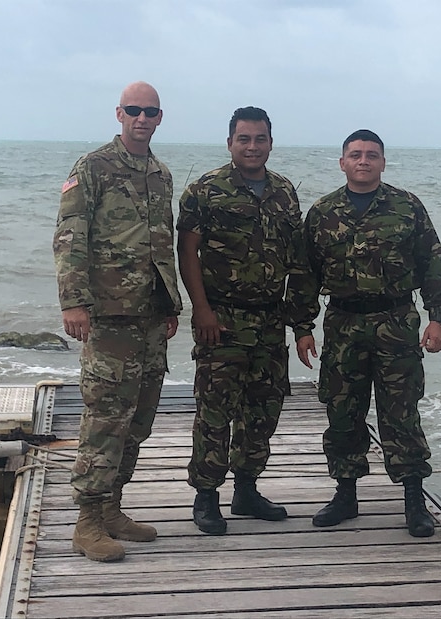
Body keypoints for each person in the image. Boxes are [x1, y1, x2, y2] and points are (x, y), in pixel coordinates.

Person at [285, 129, 441, 538]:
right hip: (343, 324)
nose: (364, 161)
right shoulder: (323, 212)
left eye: (372, 155)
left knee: (402, 412)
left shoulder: (406, 207)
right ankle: (345, 495)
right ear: (342, 162)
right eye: (356, 155)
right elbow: (305, 273)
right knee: (343, 412)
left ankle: (414, 502)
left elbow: (432, 262)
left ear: (383, 162)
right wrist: (303, 328)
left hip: (396, 322)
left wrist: (437, 317)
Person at [53, 81, 182, 562]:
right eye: (134, 110)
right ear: (119, 114)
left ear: (160, 117)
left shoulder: (161, 174)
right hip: (108, 317)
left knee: (139, 420)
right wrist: (74, 303)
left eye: (150, 111)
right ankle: (86, 522)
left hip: (150, 316)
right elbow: (70, 235)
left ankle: (112, 508)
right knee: (106, 418)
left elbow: (160, 244)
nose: (142, 118)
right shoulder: (93, 167)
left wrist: (170, 304)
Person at [176, 106, 305, 535]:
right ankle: (207, 495)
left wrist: (299, 321)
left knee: (263, 410)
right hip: (223, 319)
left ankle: (246, 490)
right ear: (230, 143)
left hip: (270, 322)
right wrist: (201, 309)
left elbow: (296, 260)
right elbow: (187, 253)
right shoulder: (205, 191)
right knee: (215, 411)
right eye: (244, 139)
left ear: (271, 142)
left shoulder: (285, 192)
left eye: (260, 139)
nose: (252, 147)